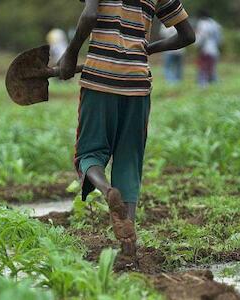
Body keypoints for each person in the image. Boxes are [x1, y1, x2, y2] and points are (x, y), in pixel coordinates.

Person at [57, 0, 195, 262]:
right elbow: (187, 36)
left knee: (89, 155)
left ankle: (107, 190)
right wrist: (148, 49)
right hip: (137, 83)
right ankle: (129, 247)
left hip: (100, 79)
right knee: (129, 163)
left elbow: (89, 14)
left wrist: (71, 53)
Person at [195, 10, 222, 87]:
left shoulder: (202, 24)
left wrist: (197, 45)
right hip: (214, 49)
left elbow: (201, 37)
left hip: (205, 49)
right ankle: (214, 84)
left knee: (203, 68)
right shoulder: (215, 24)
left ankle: (203, 85)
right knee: (212, 68)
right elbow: (219, 38)